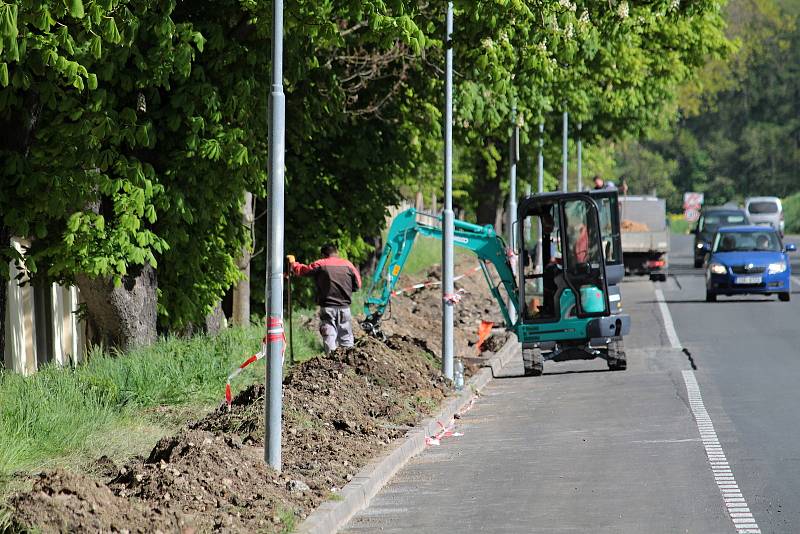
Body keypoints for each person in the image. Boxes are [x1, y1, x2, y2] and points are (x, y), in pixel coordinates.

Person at [290, 244, 362, 353]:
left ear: (324, 254)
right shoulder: (348, 265)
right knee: (346, 337)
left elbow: (303, 270)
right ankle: (349, 361)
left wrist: (293, 264)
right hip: (344, 307)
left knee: (329, 335)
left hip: (328, 307)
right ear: (336, 252)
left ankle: (332, 362)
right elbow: (358, 284)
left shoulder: (321, 264)